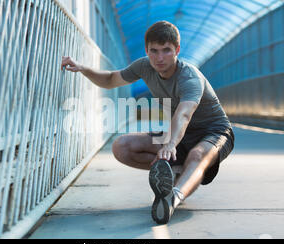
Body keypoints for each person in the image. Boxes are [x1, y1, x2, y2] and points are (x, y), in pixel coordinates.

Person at [61, 21, 234, 225]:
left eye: (166, 51)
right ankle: (177, 170)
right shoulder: (144, 66)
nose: (160, 58)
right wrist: (82, 68)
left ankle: (173, 197)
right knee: (122, 146)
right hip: (180, 134)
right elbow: (110, 80)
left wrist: (170, 145)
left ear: (177, 49)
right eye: (154, 51)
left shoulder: (189, 77)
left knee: (197, 155)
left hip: (214, 132)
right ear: (146, 50)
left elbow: (184, 115)